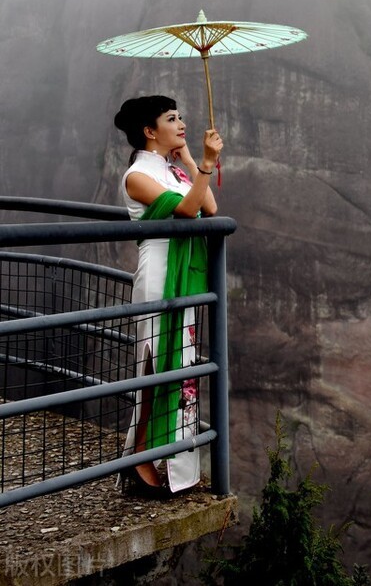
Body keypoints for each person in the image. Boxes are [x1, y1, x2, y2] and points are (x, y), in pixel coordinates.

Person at [113, 95, 223, 493]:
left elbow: (208, 206)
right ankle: (138, 455)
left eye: (181, 117)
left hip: (182, 274)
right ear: (149, 130)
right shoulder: (137, 176)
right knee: (155, 365)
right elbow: (184, 211)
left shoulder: (175, 171)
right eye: (172, 119)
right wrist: (207, 165)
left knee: (177, 364)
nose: (182, 124)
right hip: (159, 272)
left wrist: (193, 159)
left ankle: (164, 459)